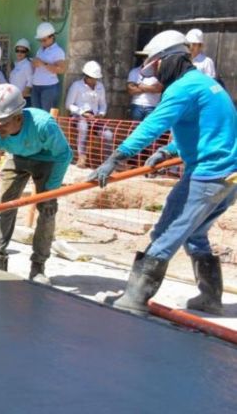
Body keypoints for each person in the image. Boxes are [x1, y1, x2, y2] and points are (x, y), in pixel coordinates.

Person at [89, 30, 237, 316]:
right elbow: (209, 133)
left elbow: (152, 125)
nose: (154, 73)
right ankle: (210, 298)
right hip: (229, 178)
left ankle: (134, 299)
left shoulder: (183, 89)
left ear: (170, 60)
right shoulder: (207, 85)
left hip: (207, 176)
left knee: (166, 231)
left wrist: (117, 156)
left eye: (155, 65)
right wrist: (169, 151)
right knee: (195, 234)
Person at [0, 84, 73, 283]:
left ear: (18, 118)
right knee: (4, 205)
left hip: (47, 160)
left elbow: (64, 155)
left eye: (2, 123)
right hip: (17, 158)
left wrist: (51, 190)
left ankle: (38, 266)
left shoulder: (43, 124)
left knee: (47, 209)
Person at [65, 61, 114, 168]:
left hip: (94, 118)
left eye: (95, 78)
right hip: (78, 116)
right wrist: (82, 113)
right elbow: (69, 105)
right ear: (86, 76)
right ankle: (82, 157)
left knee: (108, 134)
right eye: (92, 77)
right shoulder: (76, 86)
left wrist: (101, 114)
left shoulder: (100, 87)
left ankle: (108, 161)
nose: (94, 80)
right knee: (83, 127)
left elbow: (103, 104)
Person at [30, 22, 66, 112]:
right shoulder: (40, 50)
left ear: (52, 37)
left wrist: (42, 63)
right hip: (36, 86)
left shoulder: (58, 51)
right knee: (36, 115)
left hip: (49, 87)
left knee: (46, 115)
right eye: (40, 40)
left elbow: (61, 69)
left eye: (44, 40)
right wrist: (34, 63)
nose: (42, 43)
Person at [127, 53, 162, 121]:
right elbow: (131, 90)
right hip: (137, 105)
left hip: (153, 106)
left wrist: (139, 85)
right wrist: (151, 88)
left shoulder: (160, 73)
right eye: (145, 57)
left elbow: (158, 89)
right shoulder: (134, 71)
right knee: (135, 129)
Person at [9, 38, 33, 107]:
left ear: (27, 52)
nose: (19, 53)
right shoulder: (16, 64)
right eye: (17, 50)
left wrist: (22, 96)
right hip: (14, 98)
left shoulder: (27, 64)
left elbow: (30, 81)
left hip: (23, 99)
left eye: (22, 51)